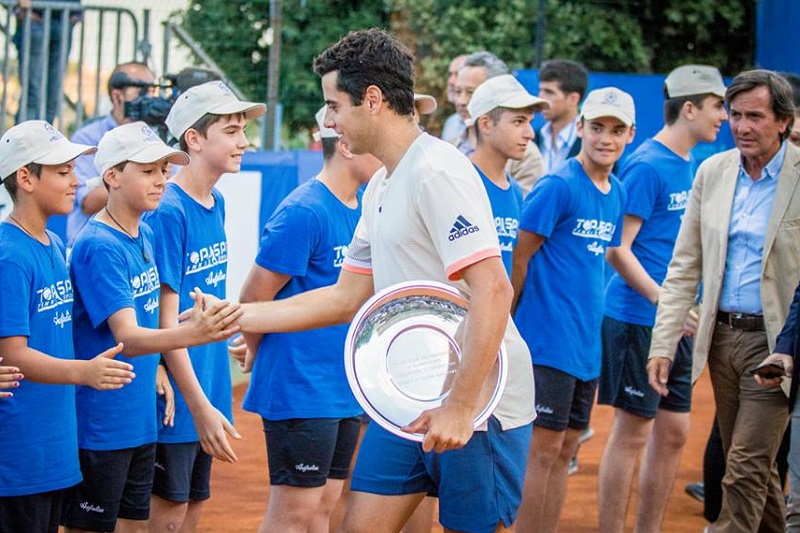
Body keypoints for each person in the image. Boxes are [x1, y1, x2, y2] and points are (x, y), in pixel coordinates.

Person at [229, 28, 535, 533]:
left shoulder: (438, 172)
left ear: (372, 100)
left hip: (479, 402)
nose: (329, 121)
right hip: (409, 399)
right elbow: (347, 296)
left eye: (334, 105)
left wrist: (459, 406)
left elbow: (494, 289)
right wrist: (236, 315)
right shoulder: (380, 184)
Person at [60, 122, 241, 533]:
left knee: (136, 527)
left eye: (164, 169)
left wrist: (163, 360)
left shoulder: (142, 233)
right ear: (112, 176)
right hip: (101, 425)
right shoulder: (99, 246)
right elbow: (128, 335)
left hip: (138, 419)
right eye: (148, 171)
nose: (162, 180)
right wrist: (195, 333)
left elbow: (148, 322)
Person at [648, 69, 800, 533]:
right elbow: (683, 266)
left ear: (784, 121)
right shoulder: (712, 173)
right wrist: (664, 341)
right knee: (753, 468)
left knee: (746, 467)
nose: (742, 126)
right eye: (735, 115)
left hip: (775, 345)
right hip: (720, 342)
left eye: (755, 116)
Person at [597, 64, 728, 533]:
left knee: (673, 433)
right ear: (689, 108)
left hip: (677, 320)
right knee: (632, 434)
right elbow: (618, 249)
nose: (725, 118)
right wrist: (664, 303)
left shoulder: (690, 162)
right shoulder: (648, 164)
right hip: (639, 317)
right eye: (718, 107)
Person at [239, 105, 380, 533]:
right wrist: (255, 351)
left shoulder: (364, 207)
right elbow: (253, 298)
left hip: (343, 385)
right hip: (301, 386)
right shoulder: (304, 210)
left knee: (324, 506)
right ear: (349, 145)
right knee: (293, 514)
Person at [0, 120, 135, 533]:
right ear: (26, 177)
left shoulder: (54, 245)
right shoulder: (9, 255)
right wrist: (85, 372)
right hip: (19, 451)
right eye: (63, 172)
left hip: (54, 446)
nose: (76, 182)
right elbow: (14, 354)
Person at [143, 81, 265, 533]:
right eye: (231, 131)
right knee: (168, 516)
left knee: (192, 511)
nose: (244, 141)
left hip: (208, 382)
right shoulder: (168, 211)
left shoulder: (216, 203)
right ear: (193, 139)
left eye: (243, 131)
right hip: (180, 393)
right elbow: (165, 323)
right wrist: (198, 405)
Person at [512, 87, 634, 533]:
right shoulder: (557, 186)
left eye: (617, 130)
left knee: (564, 452)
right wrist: (507, 326)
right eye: (597, 127)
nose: (606, 138)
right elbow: (519, 258)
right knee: (541, 453)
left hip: (586, 348)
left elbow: (603, 259)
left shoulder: (617, 190)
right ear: (580, 127)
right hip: (546, 344)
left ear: (630, 136)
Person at [466, 74, 548, 276]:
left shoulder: (515, 190)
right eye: (518, 122)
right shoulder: (460, 182)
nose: (530, 133)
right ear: (485, 124)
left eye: (529, 122)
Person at [67, 61, 157, 246]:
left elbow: (166, 193)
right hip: (94, 248)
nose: (149, 98)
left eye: (151, 91)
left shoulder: (156, 138)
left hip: (138, 248)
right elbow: (88, 202)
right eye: (141, 91)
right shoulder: (87, 138)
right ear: (117, 97)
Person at [453, 51, 545, 194]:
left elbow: (523, 211)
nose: (461, 101)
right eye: (457, 91)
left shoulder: (526, 156)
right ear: (485, 124)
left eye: (471, 92)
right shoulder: (450, 144)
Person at [13, 0, 81, 123]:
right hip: (34, 18)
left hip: (64, 18)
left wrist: (74, 16)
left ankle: (45, 138)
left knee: (53, 94)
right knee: (32, 93)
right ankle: (25, 139)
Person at [535, 59, 589, 174]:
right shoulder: (531, 139)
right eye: (540, 90)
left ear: (573, 99)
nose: (540, 98)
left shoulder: (592, 143)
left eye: (549, 92)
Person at [441, 54, 468, 142]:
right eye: (450, 74)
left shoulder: (485, 123)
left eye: (457, 74)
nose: (451, 81)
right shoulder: (451, 122)